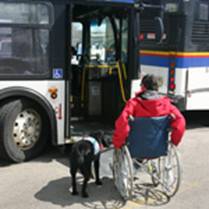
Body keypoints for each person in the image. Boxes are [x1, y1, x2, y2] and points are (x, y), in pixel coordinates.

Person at [112, 74, 186, 149]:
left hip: (135, 147)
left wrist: (117, 143)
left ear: (143, 87)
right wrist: (174, 141)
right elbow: (181, 121)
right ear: (157, 87)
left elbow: (122, 123)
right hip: (159, 148)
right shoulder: (166, 104)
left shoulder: (133, 104)